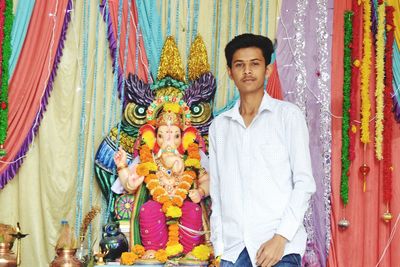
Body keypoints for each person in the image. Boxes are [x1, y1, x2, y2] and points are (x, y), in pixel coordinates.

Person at [209, 33, 316, 267]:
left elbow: (304, 183)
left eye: (255, 64)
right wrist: (219, 247)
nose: (247, 71)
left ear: (267, 70)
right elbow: (216, 191)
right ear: (230, 72)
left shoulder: (288, 116)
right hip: (234, 251)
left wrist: (281, 238)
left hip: (279, 249)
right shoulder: (219, 126)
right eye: (240, 65)